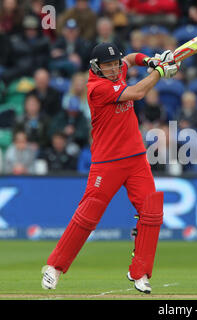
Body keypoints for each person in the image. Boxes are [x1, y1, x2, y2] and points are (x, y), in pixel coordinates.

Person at [41, 42, 180, 293]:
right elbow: (137, 93)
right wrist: (159, 72)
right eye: (108, 66)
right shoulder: (97, 87)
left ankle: (140, 273)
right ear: (96, 67)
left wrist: (150, 60)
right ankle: (54, 266)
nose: (115, 69)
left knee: (152, 211)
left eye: (115, 64)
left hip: (136, 157)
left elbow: (130, 58)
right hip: (107, 162)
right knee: (88, 216)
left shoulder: (117, 69)